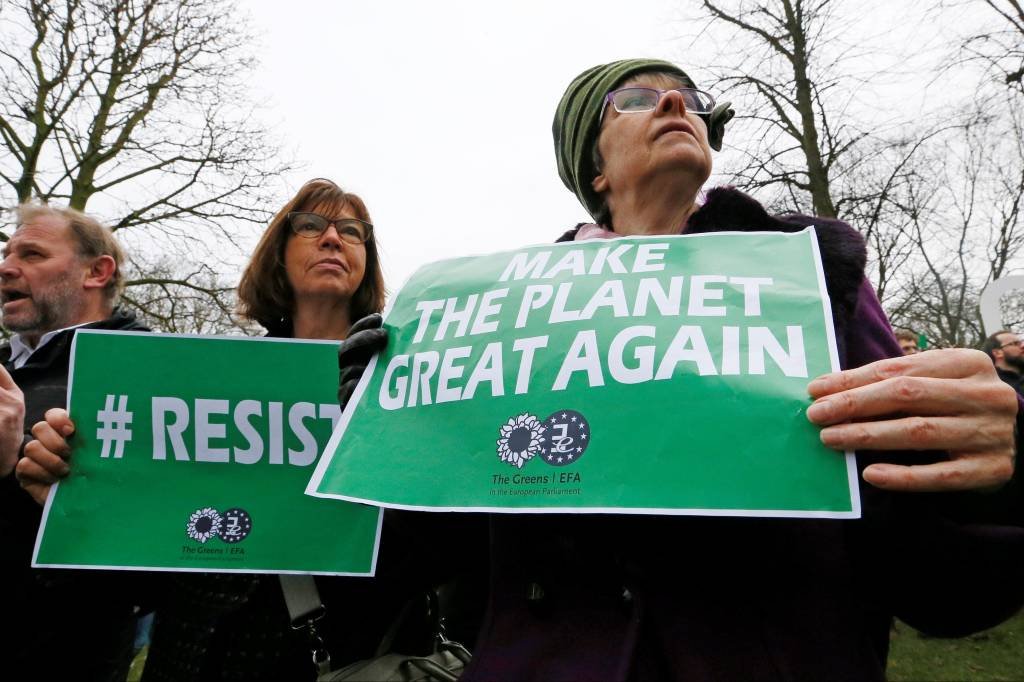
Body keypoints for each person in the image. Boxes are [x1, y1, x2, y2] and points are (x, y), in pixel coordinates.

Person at [341, 59, 1023, 681]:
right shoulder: (505, 317)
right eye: (633, 99)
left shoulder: (810, 275)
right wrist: (383, 421)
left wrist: (993, 471)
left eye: (690, 98)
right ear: (595, 170)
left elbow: (938, 577)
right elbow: (447, 548)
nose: (674, 101)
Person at [2, 202, 148, 681]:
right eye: (6, 253)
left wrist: (11, 471)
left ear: (97, 272)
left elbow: (145, 547)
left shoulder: (149, 372)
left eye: (33, 254)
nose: (6, 267)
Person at [982, 329, 1024, 394]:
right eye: (1016, 343)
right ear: (997, 353)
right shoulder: (993, 389)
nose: (1022, 346)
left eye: (1021, 342)